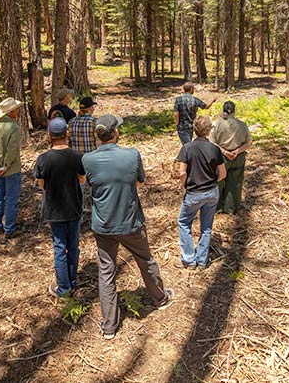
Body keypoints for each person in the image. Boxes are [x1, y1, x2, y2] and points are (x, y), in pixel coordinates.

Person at [82, 114, 174, 339]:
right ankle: (160, 298)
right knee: (145, 259)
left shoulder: (87, 159)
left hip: (103, 225)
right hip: (130, 222)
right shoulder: (131, 155)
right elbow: (140, 182)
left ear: (98, 136)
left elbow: (89, 184)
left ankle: (109, 326)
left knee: (106, 272)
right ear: (116, 133)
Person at [34, 117, 86, 298]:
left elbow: (41, 185)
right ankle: (73, 282)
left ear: (49, 135)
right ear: (67, 134)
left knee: (59, 246)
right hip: (74, 206)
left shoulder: (43, 159)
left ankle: (63, 289)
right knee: (73, 245)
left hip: (54, 208)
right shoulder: (77, 156)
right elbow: (82, 179)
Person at [175, 116, 226, 269]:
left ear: (194, 130)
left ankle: (189, 259)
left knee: (184, 222)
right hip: (211, 192)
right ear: (209, 131)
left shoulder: (187, 148)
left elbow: (182, 172)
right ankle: (202, 260)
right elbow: (223, 174)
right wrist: (212, 182)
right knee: (206, 226)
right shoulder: (215, 149)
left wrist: (185, 185)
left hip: (193, 192)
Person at [0, 98, 23, 239]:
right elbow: (12, 149)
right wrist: (6, 165)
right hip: (11, 169)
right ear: (11, 111)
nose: (17, 112)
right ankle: (9, 229)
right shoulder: (14, 128)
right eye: (16, 109)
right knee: (11, 199)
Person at [210, 101, 252, 214]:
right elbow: (249, 142)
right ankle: (231, 208)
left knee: (218, 182)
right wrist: (237, 151)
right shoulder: (242, 125)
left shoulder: (217, 124)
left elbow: (212, 142)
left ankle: (216, 207)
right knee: (235, 183)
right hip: (238, 157)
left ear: (223, 110)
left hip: (220, 157)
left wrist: (224, 152)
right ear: (234, 110)